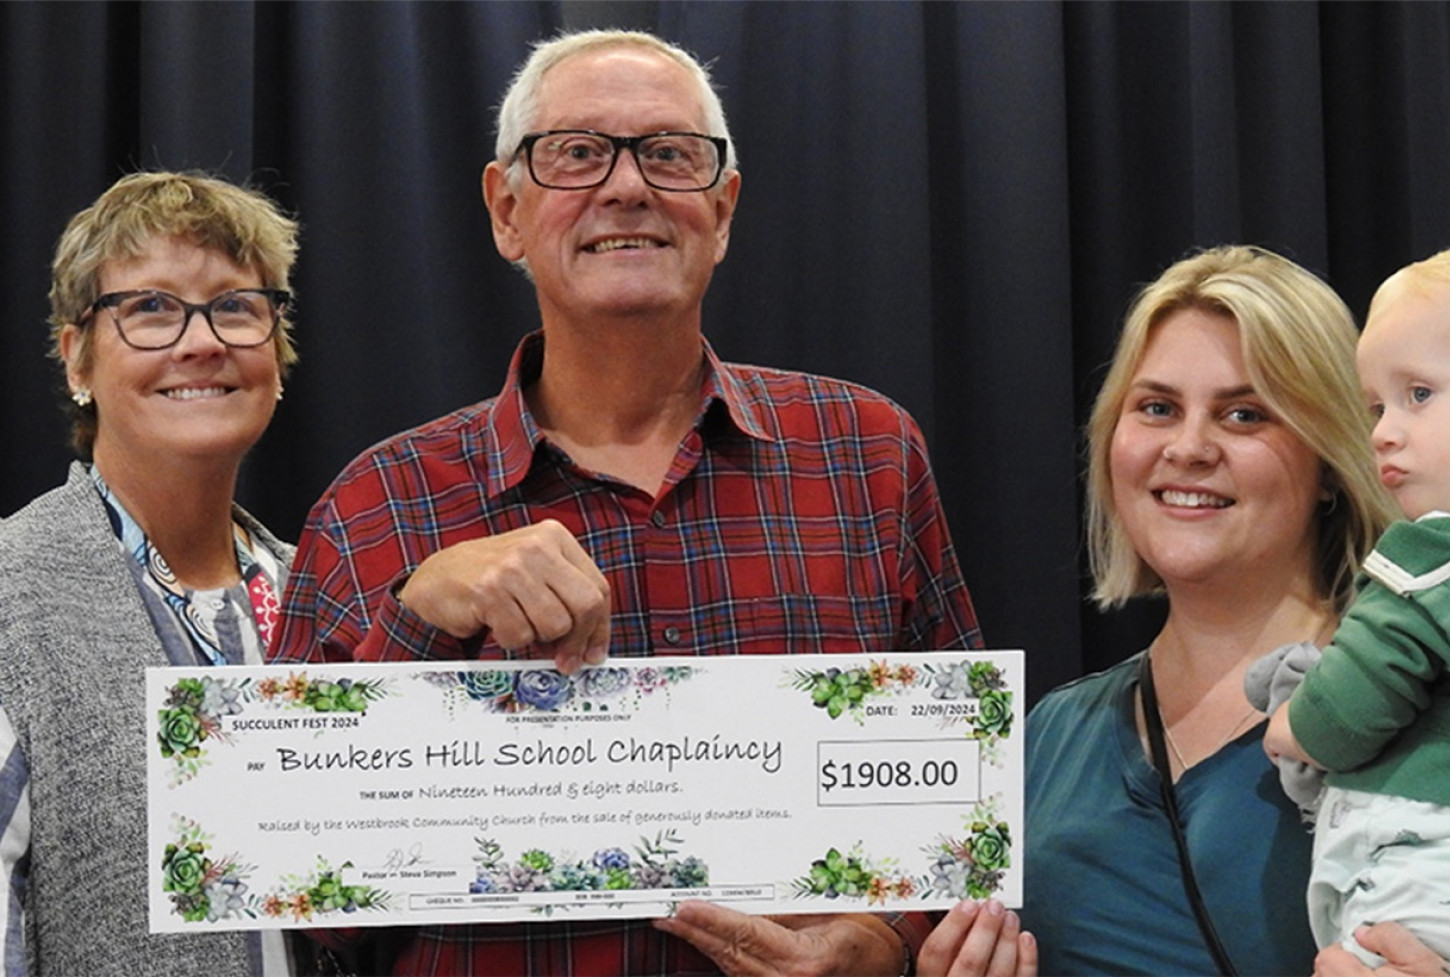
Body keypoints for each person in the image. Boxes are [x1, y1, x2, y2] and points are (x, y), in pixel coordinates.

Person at [272, 27, 981, 977]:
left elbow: (965, 796)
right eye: (577, 152)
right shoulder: (377, 503)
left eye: (670, 154)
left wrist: (886, 941)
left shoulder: (868, 454)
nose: (628, 186)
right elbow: (301, 902)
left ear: (722, 211)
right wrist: (421, 624)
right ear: (506, 210)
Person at [926, 245, 1398, 976]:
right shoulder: (1047, 739)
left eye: (1244, 414)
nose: (1187, 447)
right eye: (1157, 407)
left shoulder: (1413, 714)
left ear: (1330, 464)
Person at [0, 171, 300, 975]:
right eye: (151, 307)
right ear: (76, 357)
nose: (203, 341)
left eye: (235, 304)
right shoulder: (0, 599)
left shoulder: (330, 598)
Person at [1263, 249, 1450, 965]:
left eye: (1419, 394)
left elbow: (1345, 710)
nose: (1382, 431)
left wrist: (1291, 725)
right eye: (1375, 406)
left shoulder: (1425, 557)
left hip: (1417, 871)